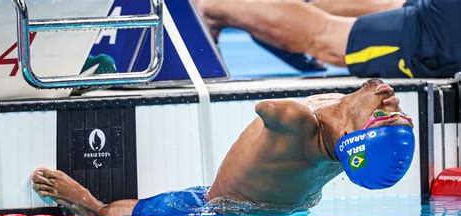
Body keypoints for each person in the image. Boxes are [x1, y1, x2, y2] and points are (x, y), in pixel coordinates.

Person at [32, 79, 414, 216]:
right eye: (396, 114)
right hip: (240, 213)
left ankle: (92, 206)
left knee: (129, 214)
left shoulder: (320, 127)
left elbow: (268, 110)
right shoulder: (317, 128)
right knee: (134, 211)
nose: (393, 104)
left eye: (388, 113)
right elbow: (267, 110)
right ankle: (93, 206)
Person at [196, 0, 461, 78]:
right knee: (328, 38)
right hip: (448, 34)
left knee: (396, 8)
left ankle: (283, 9)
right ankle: (217, 9)